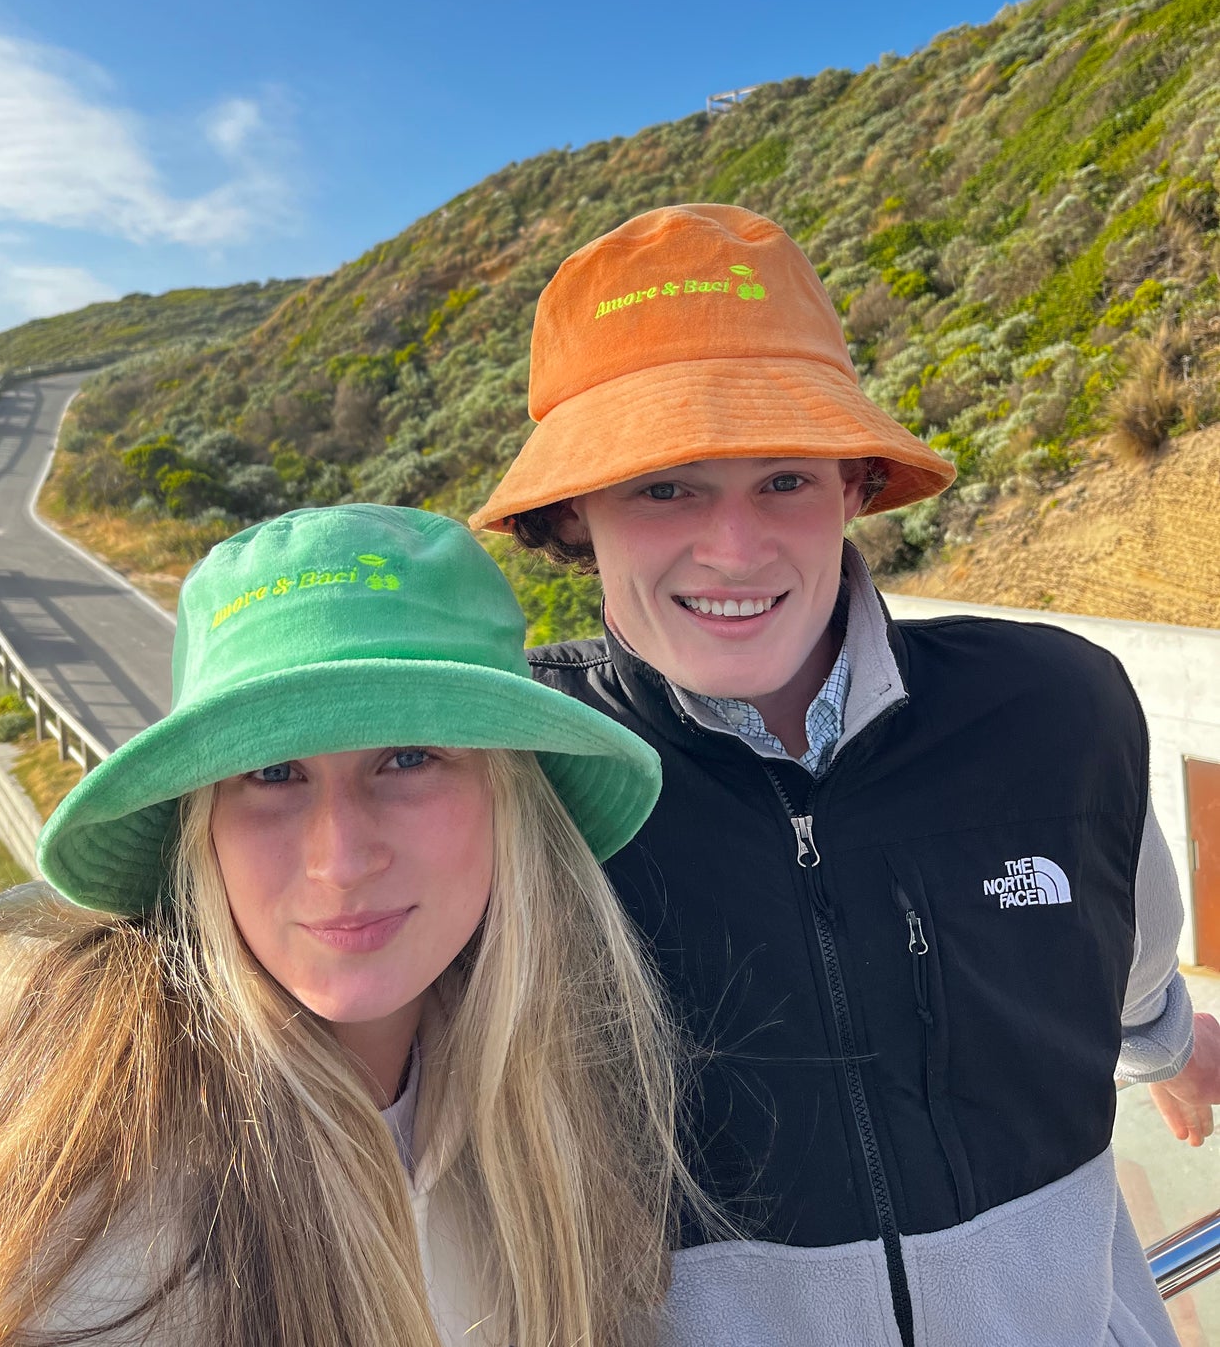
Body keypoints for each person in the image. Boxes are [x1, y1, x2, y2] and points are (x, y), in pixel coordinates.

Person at [473, 201, 1220, 1347]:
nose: (732, 547)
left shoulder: (1056, 712)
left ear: (853, 483)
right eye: (663, 485)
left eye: (781, 477)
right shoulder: (513, 776)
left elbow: (1125, 969)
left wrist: (1169, 1050)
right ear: (574, 515)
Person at [0, 503, 700, 1347]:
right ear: (200, 827)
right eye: (272, 771)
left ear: (507, 799)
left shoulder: (539, 1121)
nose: (339, 857)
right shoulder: (103, 1191)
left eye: (407, 757)